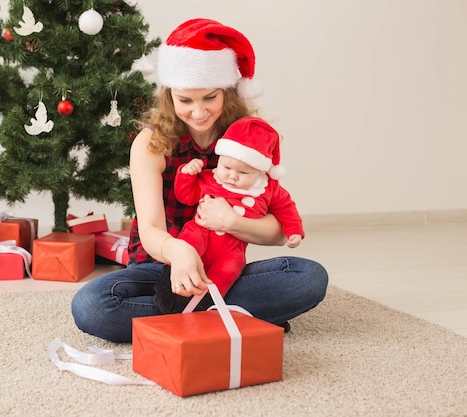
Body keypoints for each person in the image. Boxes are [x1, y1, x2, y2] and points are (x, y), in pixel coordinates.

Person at [71, 18, 328, 343]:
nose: (198, 111)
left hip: (222, 269)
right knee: (92, 305)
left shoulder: (248, 140)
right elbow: (150, 230)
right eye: (185, 100)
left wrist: (231, 221)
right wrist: (178, 253)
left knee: (309, 277)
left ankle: (190, 316)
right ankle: (232, 315)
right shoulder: (150, 144)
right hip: (158, 266)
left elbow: (279, 232)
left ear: (228, 92)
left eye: (209, 97)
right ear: (169, 96)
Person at [154, 116, 304, 314]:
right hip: (201, 233)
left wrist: (294, 230)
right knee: (188, 246)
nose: (232, 176)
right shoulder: (211, 178)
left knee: (231, 268)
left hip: (231, 249)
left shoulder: (268, 188)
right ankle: (173, 285)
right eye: (227, 168)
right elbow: (186, 196)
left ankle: (206, 304)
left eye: (243, 172)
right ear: (220, 160)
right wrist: (186, 174)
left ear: (260, 171)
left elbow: (286, 208)